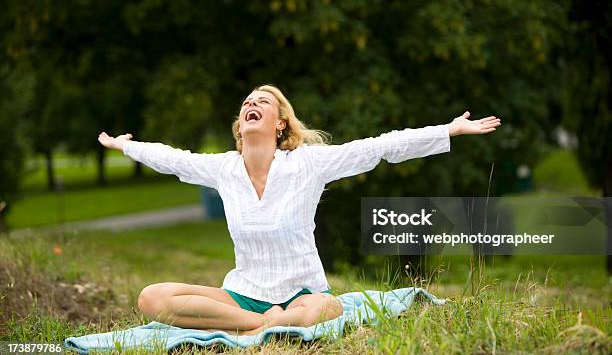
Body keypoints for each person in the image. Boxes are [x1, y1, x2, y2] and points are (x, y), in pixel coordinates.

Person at [97, 84, 501, 335]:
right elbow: (174, 158)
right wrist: (124, 146)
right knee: (152, 297)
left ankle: (260, 325)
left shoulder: (308, 162)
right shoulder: (223, 169)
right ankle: (258, 326)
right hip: (241, 296)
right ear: (241, 126)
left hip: (303, 295)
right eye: (247, 102)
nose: (252, 104)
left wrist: (446, 130)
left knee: (326, 307)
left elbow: (380, 147)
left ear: (280, 124)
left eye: (263, 101)